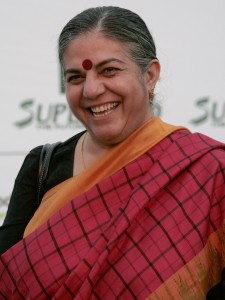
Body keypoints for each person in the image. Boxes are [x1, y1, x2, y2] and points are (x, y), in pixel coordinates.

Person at [0, 6, 224, 300]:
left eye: (109, 70)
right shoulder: (41, 167)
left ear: (150, 75)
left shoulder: (208, 171)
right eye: (76, 77)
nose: (91, 90)